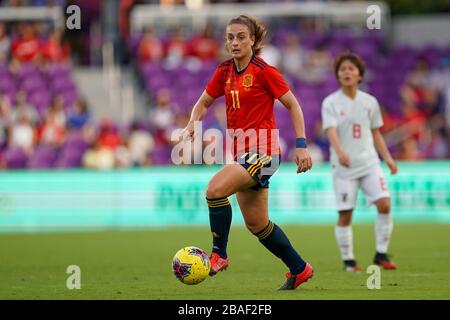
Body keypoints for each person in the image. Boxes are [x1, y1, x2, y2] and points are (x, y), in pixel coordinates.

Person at [182, 15, 313, 290]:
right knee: (257, 225)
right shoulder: (224, 71)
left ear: (253, 40)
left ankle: (219, 254)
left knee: (214, 190)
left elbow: (294, 105)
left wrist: (301, 145)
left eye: (241, 37)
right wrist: (193, 121)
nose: (235, 42)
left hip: (265, 153)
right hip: (243, 155)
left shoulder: (264, 71)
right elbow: (203, 102)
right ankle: (299, 269)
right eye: (230, 37)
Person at [321, 51, 398, 272]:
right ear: (337, 75)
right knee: (345, 214)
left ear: (359, 75)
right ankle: (349, 261)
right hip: (344, 167)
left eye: (351, 69)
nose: (347, 72)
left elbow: (376, 134)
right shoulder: (331, 103)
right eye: (342, 69)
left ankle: (381, 253)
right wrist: (340, 152)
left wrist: (389, 159)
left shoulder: (370, 102)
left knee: (384, 204)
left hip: (369, 163)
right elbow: (331, 131)